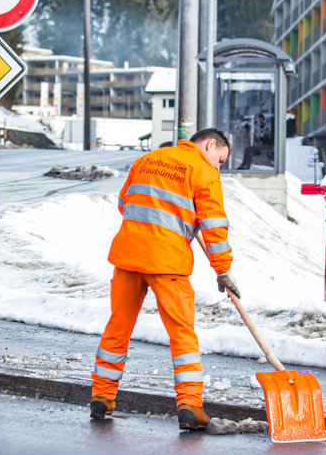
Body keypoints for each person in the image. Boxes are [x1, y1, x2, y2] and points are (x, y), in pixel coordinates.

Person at [89, 128, 240, 431]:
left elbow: (124, 203)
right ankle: (190, 405)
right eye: (220, 159)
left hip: (128, 258)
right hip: (167, 263)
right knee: (182, 334)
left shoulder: (148, 159)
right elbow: (213, 225)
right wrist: (222, 269)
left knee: (118, 326)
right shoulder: (203, 171)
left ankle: (102, 397)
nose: (218, 166)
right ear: (210, 145)